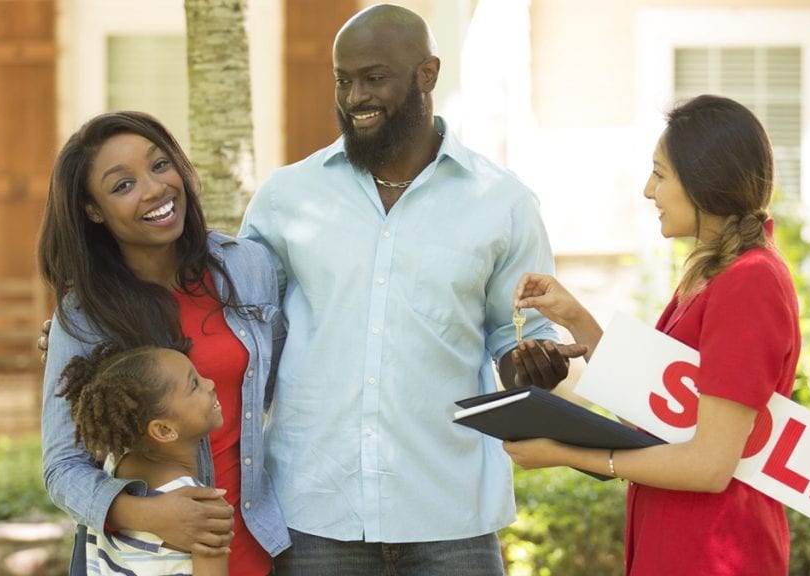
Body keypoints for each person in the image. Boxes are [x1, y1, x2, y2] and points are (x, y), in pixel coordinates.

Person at [237, 4, 585, 575]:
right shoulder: (286, 199)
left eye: (374, 78)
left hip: (451, 513)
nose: (355, 98)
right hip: (316, 512)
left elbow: (517, 332)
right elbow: (233, 315)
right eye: (344, 80)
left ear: (427, 74)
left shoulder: (503, 203)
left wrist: (529, 368)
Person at [504, 94, 800, 575]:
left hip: (717, 552)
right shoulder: (715, 274)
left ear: (705, 182)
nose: (648, 190)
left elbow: (709, 464)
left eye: (660, 174)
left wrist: (564, 453)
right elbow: (664, 410)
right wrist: (576, 317)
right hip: (677, 544)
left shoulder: (750, 282)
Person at [38, 110, 290, 575]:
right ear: (93, 211)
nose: (154, 189)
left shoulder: (249, 267)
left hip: (255, 542)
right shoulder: (86, 314)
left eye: (158, 165)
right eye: (122, 185)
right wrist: (152, 513)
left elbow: (274, 393)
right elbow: (61, 467)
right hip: (149, 555)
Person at [56, 342, 227, 575]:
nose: (210, 383)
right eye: (194, 385)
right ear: (164, 430)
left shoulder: (113, 468)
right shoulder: (203, 510)